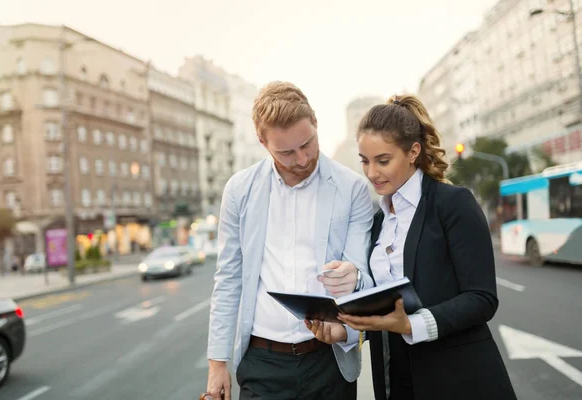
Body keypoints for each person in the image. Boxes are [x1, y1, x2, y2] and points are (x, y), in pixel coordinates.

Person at [309, 94, 517, 400]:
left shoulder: (453, 204)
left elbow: (482, 298)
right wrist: (346, 328)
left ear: (413, 152)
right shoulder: (379, 221)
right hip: (396, 378)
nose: (371, 173)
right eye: (364, 161)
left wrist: (411, 324)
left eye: (383, 160)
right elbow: (382, 306)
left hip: (459, 376)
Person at [205, 81, 375, 400]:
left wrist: (353, 282)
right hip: (262, 363)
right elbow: (228, 279)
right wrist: (217, 364)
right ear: (262, 141)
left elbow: (363, 278)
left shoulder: (352, 188)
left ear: (315, 123)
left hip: (329, 360)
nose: (302, 159)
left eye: (308, 143)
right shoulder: (240, 190)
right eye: (286, 151)